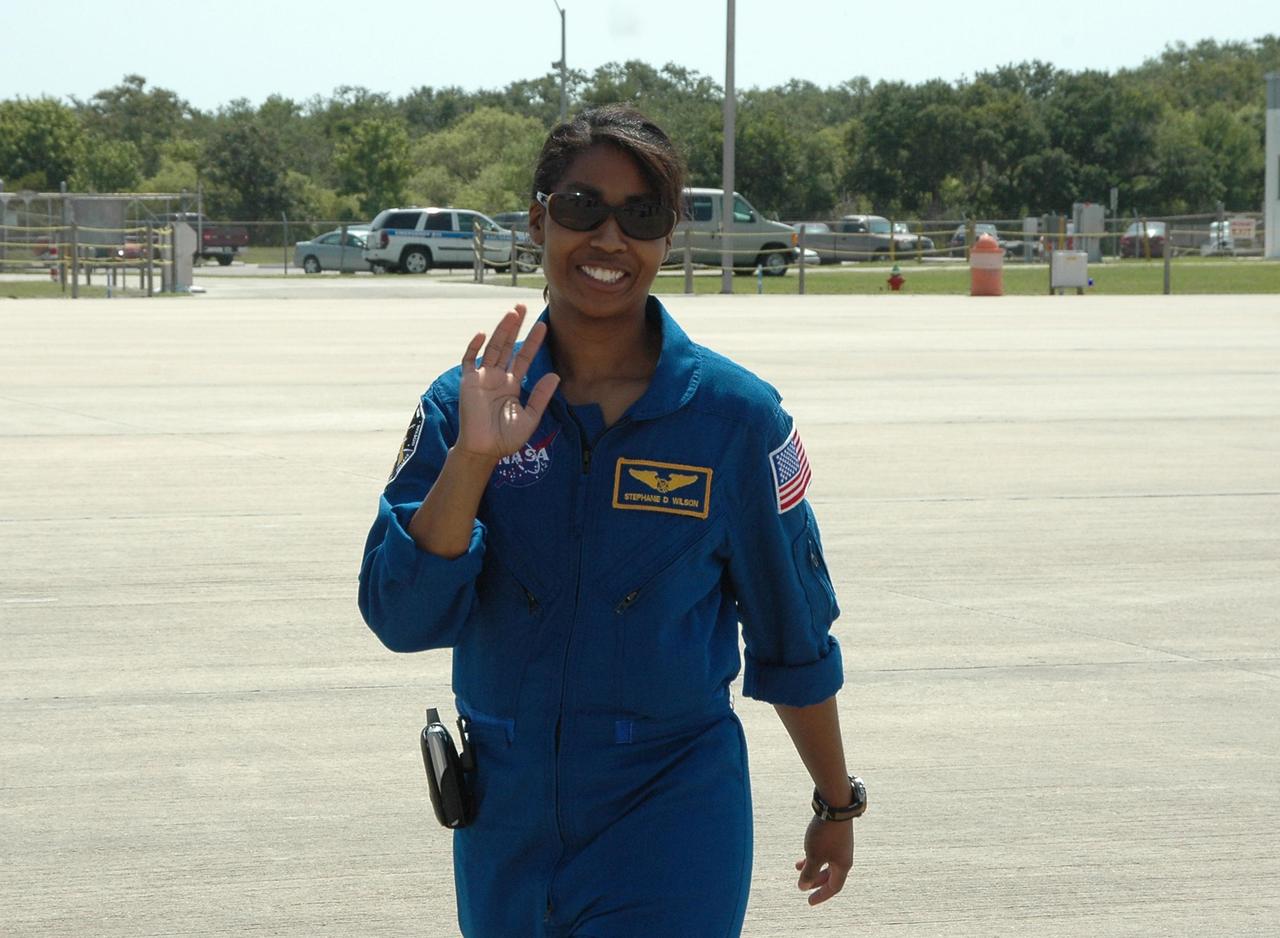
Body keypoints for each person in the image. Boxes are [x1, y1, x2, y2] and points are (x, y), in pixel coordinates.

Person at [359, 105, 863, 938]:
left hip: (670, 809)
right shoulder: (463, 406)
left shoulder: (736, 420)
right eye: (581, 207)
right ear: (536, 218)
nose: (608, 240)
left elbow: (794, 631)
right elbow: (402, 617)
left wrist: (836, 800)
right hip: (503, 820)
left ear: (670, 238)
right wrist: (475, 457)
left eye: (641, 216)